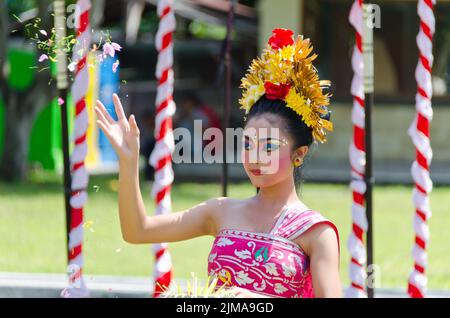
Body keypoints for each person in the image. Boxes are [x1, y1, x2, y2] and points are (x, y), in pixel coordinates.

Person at [94, 28, 341, 298]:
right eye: (248, 144)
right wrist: (128, 164)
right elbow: (137, 231)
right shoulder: (220, 212)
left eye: (268, 146)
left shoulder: (316, 232)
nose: (255, 157)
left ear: (299, 153)